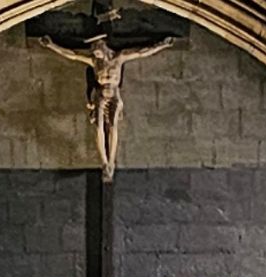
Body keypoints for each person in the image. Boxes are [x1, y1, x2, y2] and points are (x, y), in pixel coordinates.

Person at [40, 32, 174, 182]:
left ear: (102, 46)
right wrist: (52, 45)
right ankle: (104, 161)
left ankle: (111, 161)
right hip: (101, 96)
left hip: (114, 95)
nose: (94, 53)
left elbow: (141, 53)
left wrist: (162, 45)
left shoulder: (119, 58)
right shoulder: (95, 62)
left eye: (95, 49)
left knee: (113, 126)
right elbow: (72, 55)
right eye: (92, 51)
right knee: (99, 127)